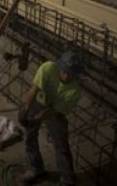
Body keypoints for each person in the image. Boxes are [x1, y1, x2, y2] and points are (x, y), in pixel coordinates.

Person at [18, 51, 85, 185]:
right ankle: (35, 168)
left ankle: (67, 179)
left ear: (76, 74)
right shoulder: (48, 68)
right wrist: (25, 109)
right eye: (64, 71)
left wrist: (37, 119)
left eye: (70, 74)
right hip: (38, 102)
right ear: (59, 67)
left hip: (56, 112)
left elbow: (52, 112)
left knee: (61, 145)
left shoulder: (75, 90)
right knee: (30, 135)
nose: (66, 76)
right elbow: (34, 90)